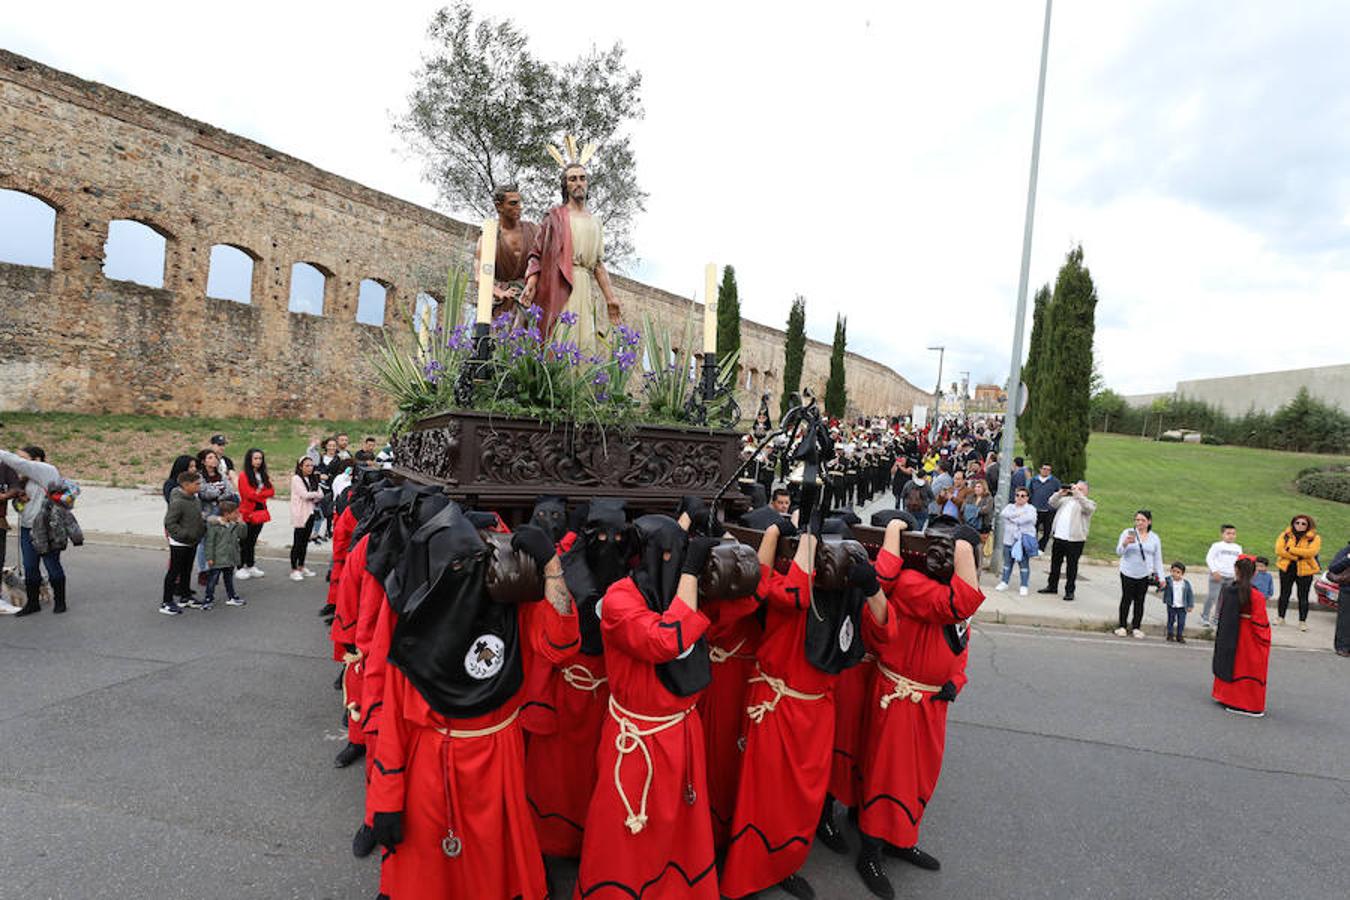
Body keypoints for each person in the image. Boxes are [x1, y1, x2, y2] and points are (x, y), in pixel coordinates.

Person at [573, 517, 719, 899]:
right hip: (637, 738)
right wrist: (689, 573)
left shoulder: (673, 588)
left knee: (678, 833)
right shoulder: (621, 598)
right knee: (627, 838)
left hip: (681, 729)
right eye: (675, 555)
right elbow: (663, 642)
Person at [853, 517, 987, 900]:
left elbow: (961, 642)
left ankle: (901, 837)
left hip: (931, 701)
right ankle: (871, 851)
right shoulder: (912, 586)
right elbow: (961, 605)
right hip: (899, 696)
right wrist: (965, 546)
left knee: (920, 775)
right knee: (887, 774)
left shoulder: (946, 593)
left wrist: (956, 681)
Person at [521, 157, 622, 350]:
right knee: (559, 338)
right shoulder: (554, 217)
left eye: (582, 178)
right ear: (565, 185)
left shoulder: (596, 222)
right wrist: (531, 283)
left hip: (583, 284)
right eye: (572, 179)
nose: (578, 183)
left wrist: (610, 298)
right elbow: (537, 253)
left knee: (583, 342)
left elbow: (598, 265)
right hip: (558, 284)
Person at [0, 446, 66, 617]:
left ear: (36, 461)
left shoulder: (47, 471)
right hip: (27, 528)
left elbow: (15, 462)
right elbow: (20, 507)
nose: (19, 463)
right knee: (30, 567)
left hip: (47, 528)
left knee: (52, 565)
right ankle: (33, 603)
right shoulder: (25, 479)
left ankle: (60, 602)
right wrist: (20, 500)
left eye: (23, 459)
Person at [1212, 556, 1271, 717]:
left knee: (1231, 664)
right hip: (1249, 635)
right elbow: (1260, 621)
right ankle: (1247, 704)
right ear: (1254, 574)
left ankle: (1226, 696)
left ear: (1236, 570)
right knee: (1246, 667)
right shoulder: (1255, 595)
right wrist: (1265, 639)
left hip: (1231, 631)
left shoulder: (1229, 588)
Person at [476, 182, 542, 323]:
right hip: (504, 303)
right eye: (513, 204)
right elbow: (479, 276)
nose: (519, 207)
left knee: (531, 341)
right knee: (503, 342)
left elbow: (544, 261)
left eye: (519, 202)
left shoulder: (533, 230)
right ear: (499, 206)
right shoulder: (488, 238)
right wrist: (500, 293)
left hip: (530, 298)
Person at [1039, 481, 1096, 602]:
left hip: (1075, 540)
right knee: (1055, 563)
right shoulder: (1066, 501)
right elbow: (1051, 502)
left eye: (1081, 489)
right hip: (1059, 537)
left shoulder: (1088, 503)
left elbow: (1088, 509)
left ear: (1086, 492)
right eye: (1076, 488)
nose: (1077, 490)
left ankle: (1070, 591)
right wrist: (1060, 493)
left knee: (1071, 566)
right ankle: (1052, 586)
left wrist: (1078, 494)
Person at [1115, 510, 1165, 639]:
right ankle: (1122, 626)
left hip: (1144, 574)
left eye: (1142, 520)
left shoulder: (1154, 538)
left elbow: (1158, 559)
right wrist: (1125, 543)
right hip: (1128, 571)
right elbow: (1119, 552)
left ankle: (1136, 627)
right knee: (1126, 598)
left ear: (1149, 522)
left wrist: (1162, 577)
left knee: (1140, 600)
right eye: (1137, 520)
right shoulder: (1128, 533)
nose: (1139, 523)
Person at [162, 471, 204, 616]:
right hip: (180, 543)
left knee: (187, 570)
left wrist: (200, 531)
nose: (200, 486)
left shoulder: (195, 499)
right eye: (197, 484)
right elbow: (170, 522)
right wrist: (184, 534)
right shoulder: (178, 502)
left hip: (192, 541)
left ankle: (185, 596)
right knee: (174, 571)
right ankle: (166, 602)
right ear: (186, 485)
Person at [1274, 514, 1321, 631]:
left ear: (1308, 525)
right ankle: (1280, 617)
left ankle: (1302, 621)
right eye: (1297, 523)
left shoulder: (1314, 538)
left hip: (1305, 571)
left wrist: (1291, 549)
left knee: (1303, 596)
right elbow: (1279, 550)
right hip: (1287, 568)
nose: (1300, 525)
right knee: (1284, 593)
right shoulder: (1285, 535)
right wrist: (1297, 557)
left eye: (1303, 523)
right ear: (1293, 524)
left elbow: (1311, 552)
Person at [235, 448, 273, 580]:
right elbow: (247, 494)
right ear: (249, 460)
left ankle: (250, 565)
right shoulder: (244, 475)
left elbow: (271, 491)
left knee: (252, 540)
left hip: (260, 511)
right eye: (255, 458)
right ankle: (240, 567)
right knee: (244, 541)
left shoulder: (263, 475)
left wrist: (259, 494)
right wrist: (261, 495)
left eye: (260, 458)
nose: (258, 461)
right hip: (247, 512)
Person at [202, 499, 246, 609]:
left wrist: (241, 523)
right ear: (226, 514)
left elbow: (243, 535)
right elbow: (209, 543)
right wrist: (209, 557)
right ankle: (208, 598)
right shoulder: (215, 527)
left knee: (229, 579)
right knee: (212, 580)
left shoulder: (234, 525)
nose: (238, 515)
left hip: (230, 558)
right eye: (235, 513)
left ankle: (232, 596)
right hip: (218, 558)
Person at [995, 487, 1037, 595]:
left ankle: (1024, 585)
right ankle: (1004, 582)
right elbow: (1004, 514)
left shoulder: (1031, 509)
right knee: (1007, 563)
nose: (1019, 498)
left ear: (1027, 498)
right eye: (1017, 495)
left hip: (1021, 541)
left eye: (1023, 496)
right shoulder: (1010, 506)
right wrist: (1017, 515)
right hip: (1009, 539)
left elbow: (1027, 519)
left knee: (1023, 564)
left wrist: (1013, 518)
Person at [1201, 525, 1243, 627]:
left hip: (1230, 577)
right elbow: (1209, 558)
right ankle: (1205, 617)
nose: (1231, 536)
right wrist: (1214, 571)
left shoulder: (1238, 548)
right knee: (1212, 596)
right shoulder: (1217, 546)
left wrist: (1238, 575)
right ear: (1222, 534)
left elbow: (1239, 562)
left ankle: (1217, 618)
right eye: (1228, 533)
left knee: (1224, 599)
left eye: (1233, 534)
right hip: (1217, 576)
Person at [289, 458, 323, 581]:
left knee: (304, 542)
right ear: (300, 466)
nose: (310, 468)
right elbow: (304, 495)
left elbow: (321, 494)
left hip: (311, 512)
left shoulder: (313, 478)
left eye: (311, 465)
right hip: (300, 514)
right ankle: (294, 569)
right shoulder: (296, 479)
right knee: (297, 542)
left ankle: (302, 566)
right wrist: (314, 495)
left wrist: (314, 495)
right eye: (307, 465)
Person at [1027, 463, 1061, 551]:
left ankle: (1041, 548)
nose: (1046, 471)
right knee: (1033, 530)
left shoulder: (1055, 482)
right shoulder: (1034, 480)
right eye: (1044, 469)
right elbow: (1029, 493)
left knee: (1047, 531)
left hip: (1049, 510)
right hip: (1035, 509)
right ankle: (1032, 547)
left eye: (1048, 470)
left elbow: (1059, 494)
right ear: (1040, 469)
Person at [1326, 541, 1350, 656]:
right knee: (1345, 621)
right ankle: (1342, 647)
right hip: (1347, 591)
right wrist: (1348, 558)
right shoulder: (1346, 551)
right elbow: (1333, 568)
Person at [962, 478, 995, 558]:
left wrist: (971, 509)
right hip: (970, 525)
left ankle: (978, 568)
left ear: (984, 488)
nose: (976, 488)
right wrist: (976, 510)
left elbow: (986, 510)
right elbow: (963, 508)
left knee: (979, 549)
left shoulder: (989, 498)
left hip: (983, 527)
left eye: (979, 487)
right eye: (976, 487)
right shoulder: (970, 497)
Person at [1163, 562, 1194, 643]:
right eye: (1173, 571)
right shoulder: (1168, 581)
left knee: (1181, 622)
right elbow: (1162, 587)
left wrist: (1190, 605)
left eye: (1178, 572)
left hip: (1182, 606)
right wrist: (1161, 585)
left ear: (1182, 573)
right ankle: (1170, 634)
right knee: (1171, 620)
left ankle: (1179, 635)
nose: (1175, 574)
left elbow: (1190, 594)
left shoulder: (1185, 583)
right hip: (1172, 605)